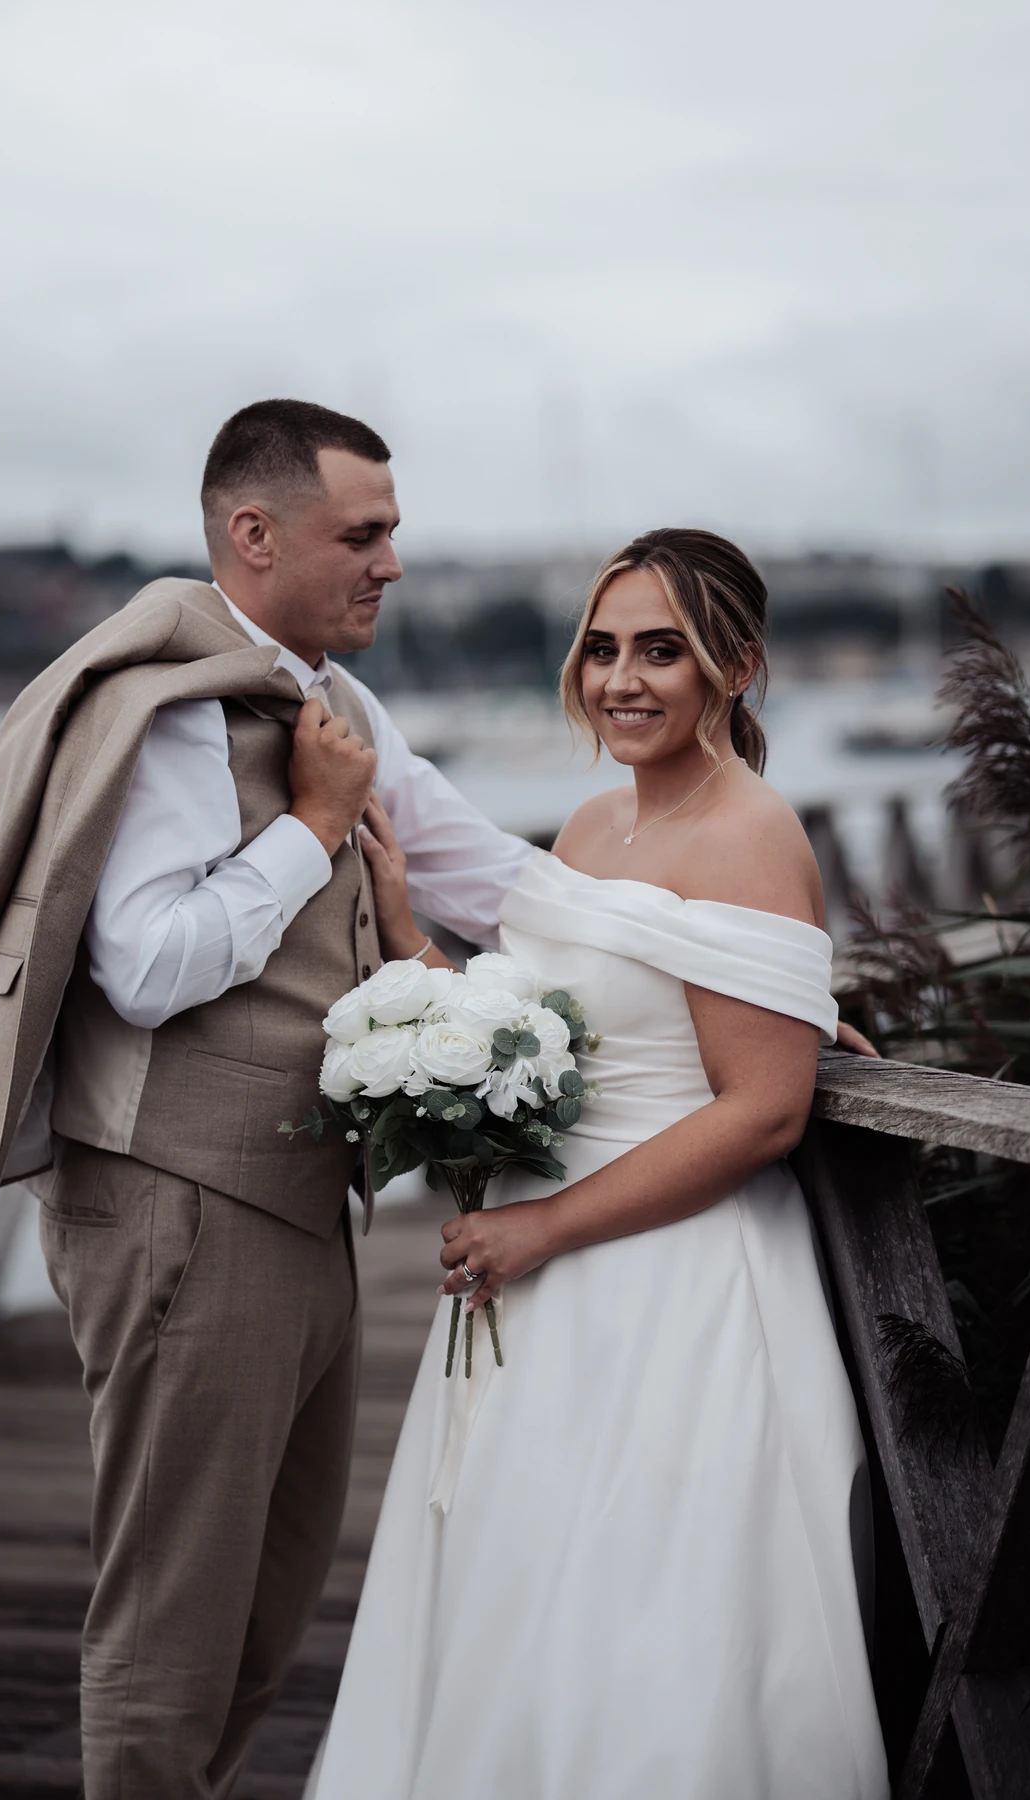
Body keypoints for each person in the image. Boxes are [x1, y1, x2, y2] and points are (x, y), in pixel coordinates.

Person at [0, 399, 534, 1800]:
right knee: (174, 1622)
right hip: (174, 1208)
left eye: (394, 533)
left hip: (300, 1203)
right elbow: (149, 964)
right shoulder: (177, 713)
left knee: (271, 1602)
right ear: (254, 534)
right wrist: (312, 831)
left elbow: (496, 879)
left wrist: (745, 964)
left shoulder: (338, 705)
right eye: (359, 534)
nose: (391, 563)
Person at [306, 528, 890, 1798]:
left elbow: (763, 1115)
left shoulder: (751, 836)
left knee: (651, 1613)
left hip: (672, 1280)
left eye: (662, 651)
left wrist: (545, 1229)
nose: (622, 679)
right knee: (527, 1592)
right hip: (547, 1278)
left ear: (736, 667)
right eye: (604, 648)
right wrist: (413, 944)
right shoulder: (590, 820)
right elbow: (558, 1042)